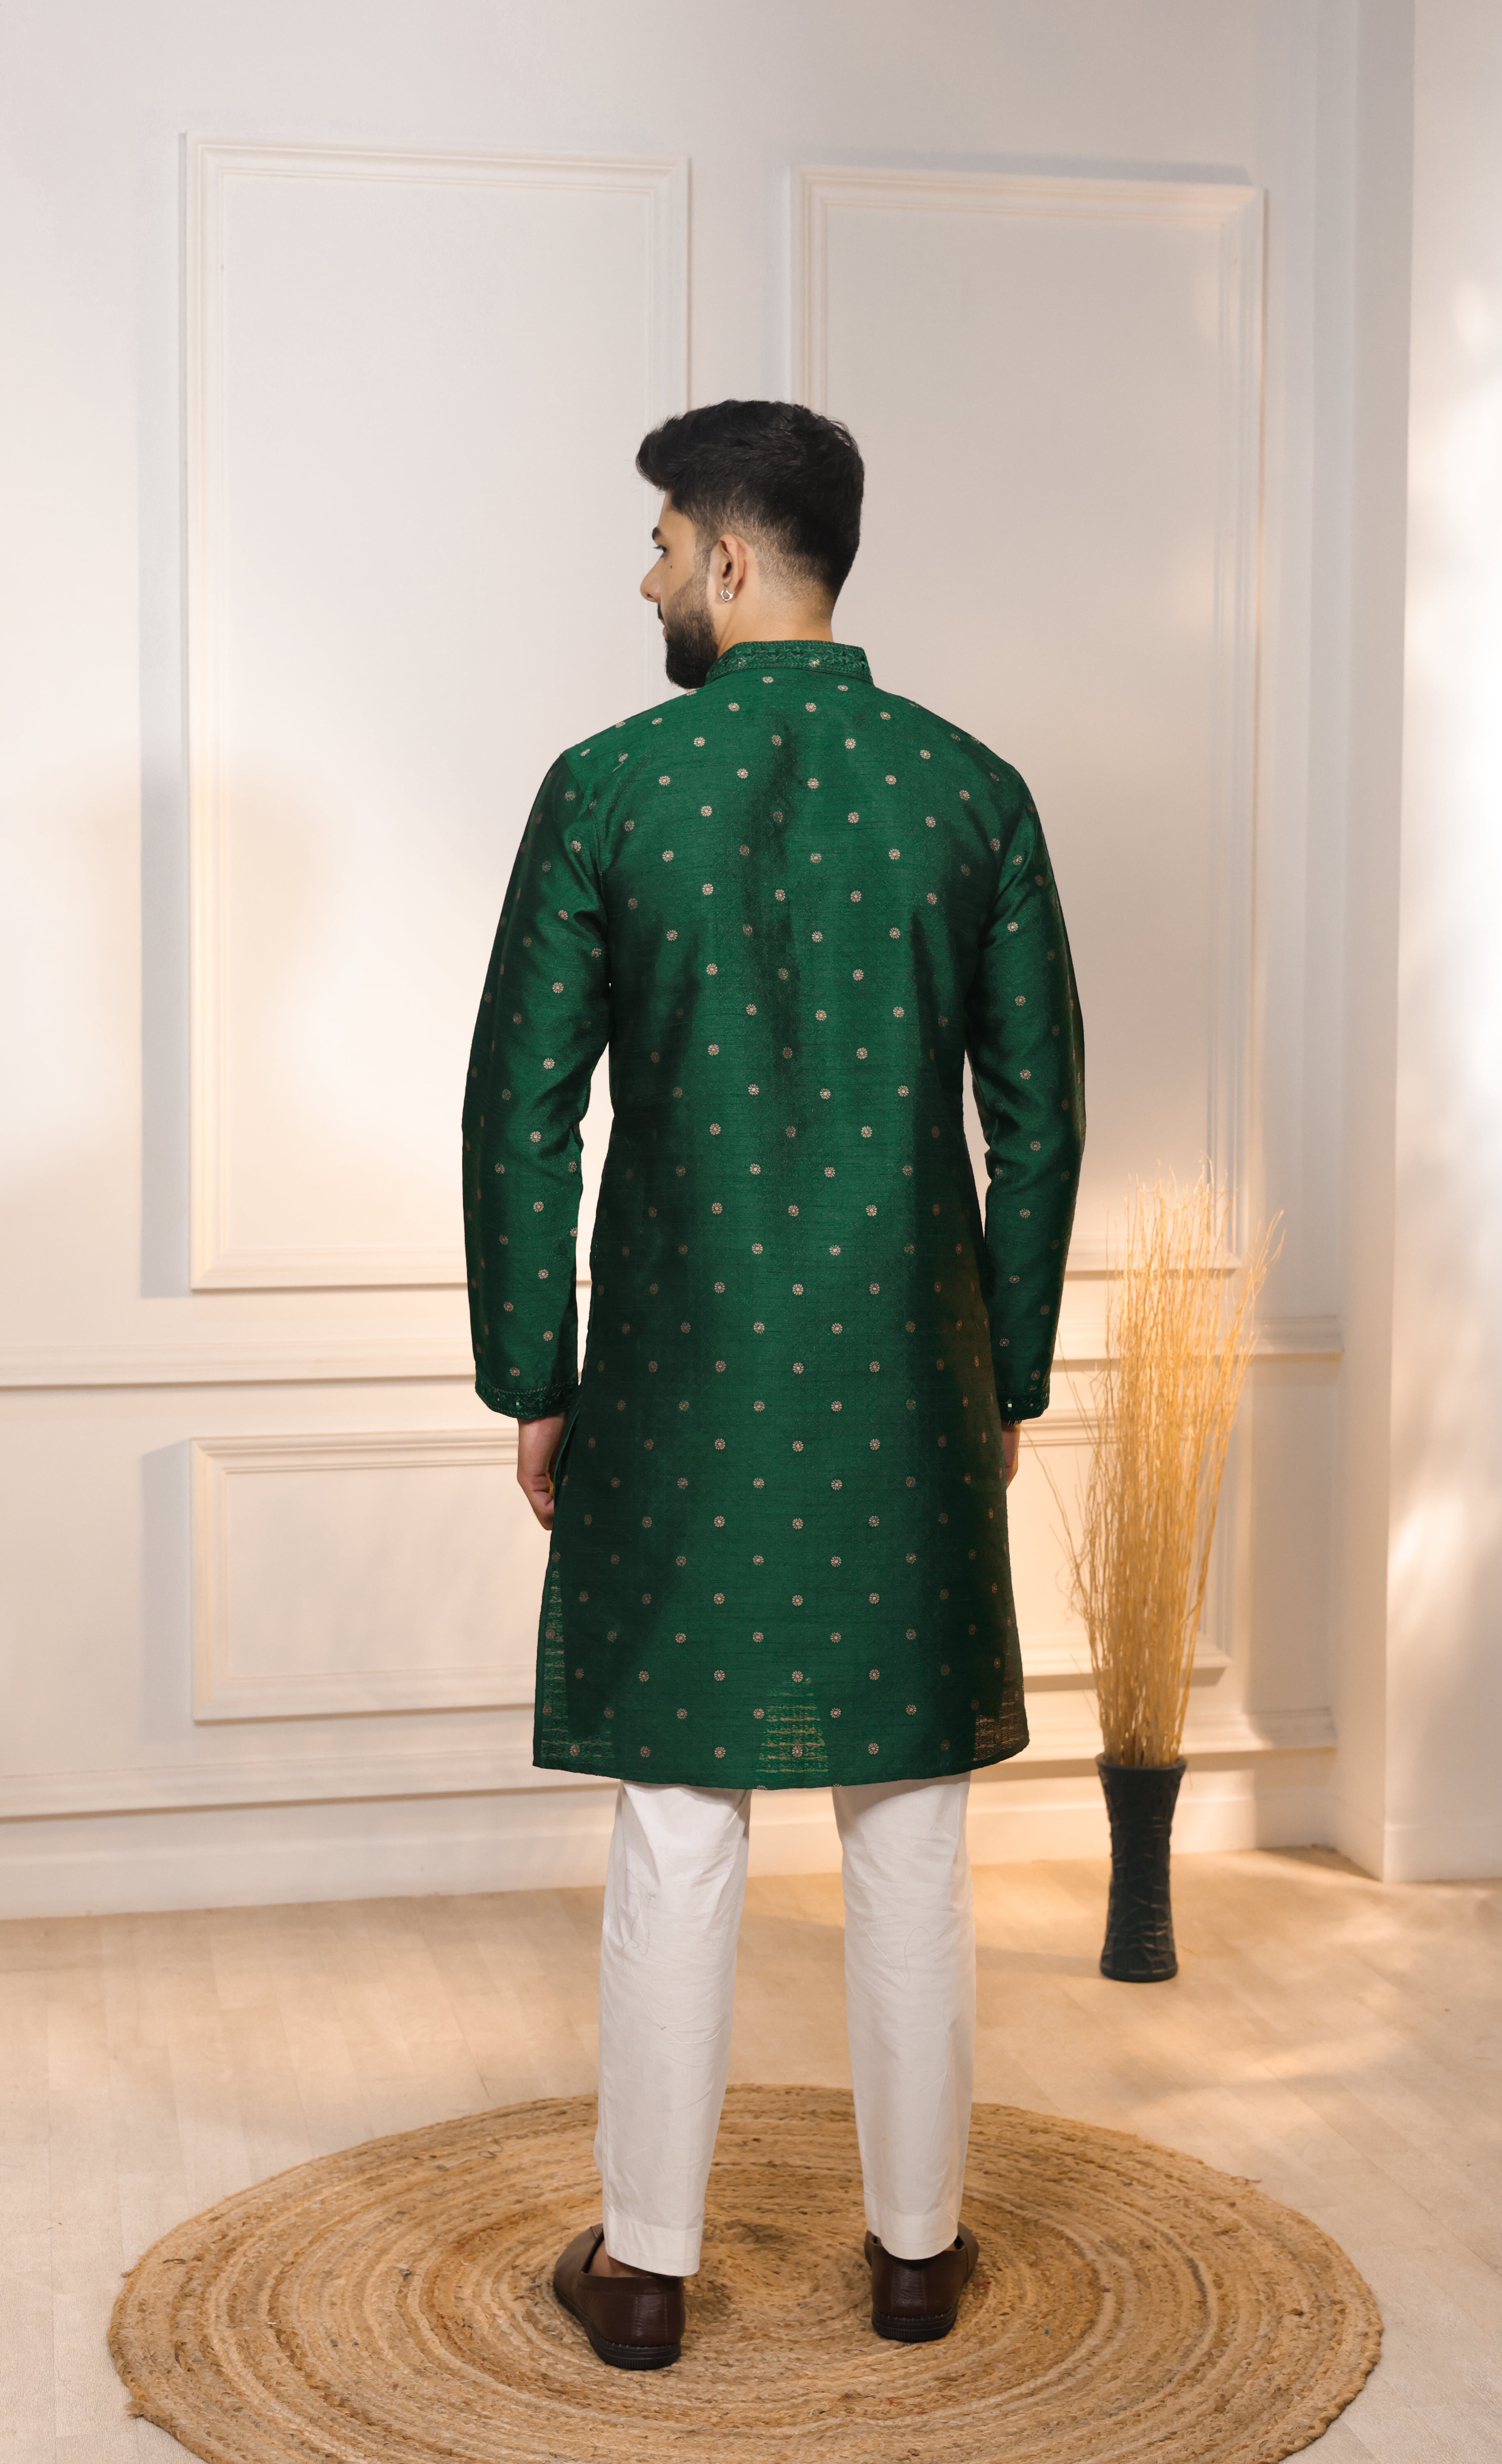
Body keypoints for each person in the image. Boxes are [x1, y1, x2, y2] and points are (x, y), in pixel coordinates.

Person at [463, 399, 1085, 2368]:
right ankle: (916, 2259)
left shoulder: (608, 786)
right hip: (909, 1379)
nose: (646, 575)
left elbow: (518, 1110)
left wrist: (534, 1373)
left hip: (675, 1374)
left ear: (732, 560)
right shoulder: (970, 793)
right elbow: (1040, 1120)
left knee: (678, 1816)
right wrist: (1006, 1370)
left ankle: (646, 2272)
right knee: (909, 1823)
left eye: (661, 543)